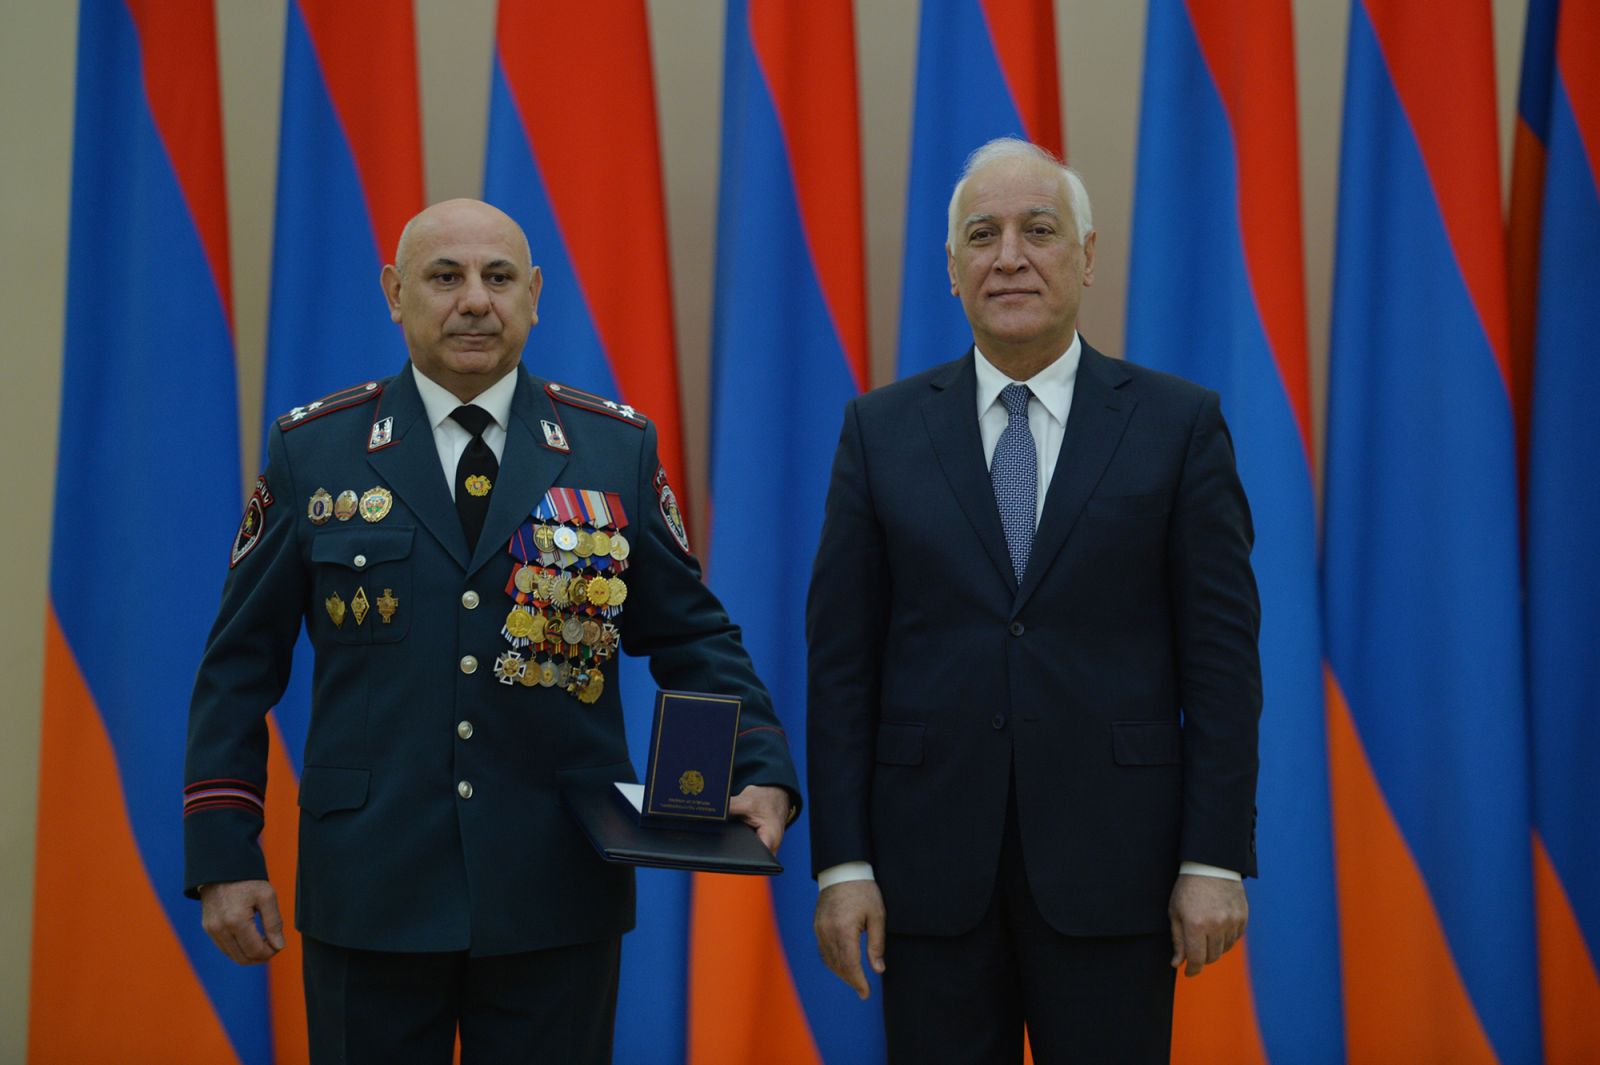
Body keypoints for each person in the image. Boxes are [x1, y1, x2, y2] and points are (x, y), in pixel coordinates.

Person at [184, 199, 800, 1064]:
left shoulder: (611, 450)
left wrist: (756, 765)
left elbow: (693, 637)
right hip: (372, 886)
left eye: (498, 277)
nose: (475, 299)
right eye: (445, 276)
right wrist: (224, 848)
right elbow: (238, 666)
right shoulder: (314, 451)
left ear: (535, 295)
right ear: (395, 293)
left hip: (556, 887)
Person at [807, 139, 1260, 1064]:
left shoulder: (1178, 425)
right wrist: (843, 863)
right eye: (983, 235)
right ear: (952, 268)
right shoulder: (878, 431)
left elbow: (1221, 663)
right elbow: (841, 664)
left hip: (1117, 869)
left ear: (1086, 256)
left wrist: (1212, 856)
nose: (1009, 256)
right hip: (929, 872)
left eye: (1038, 230)